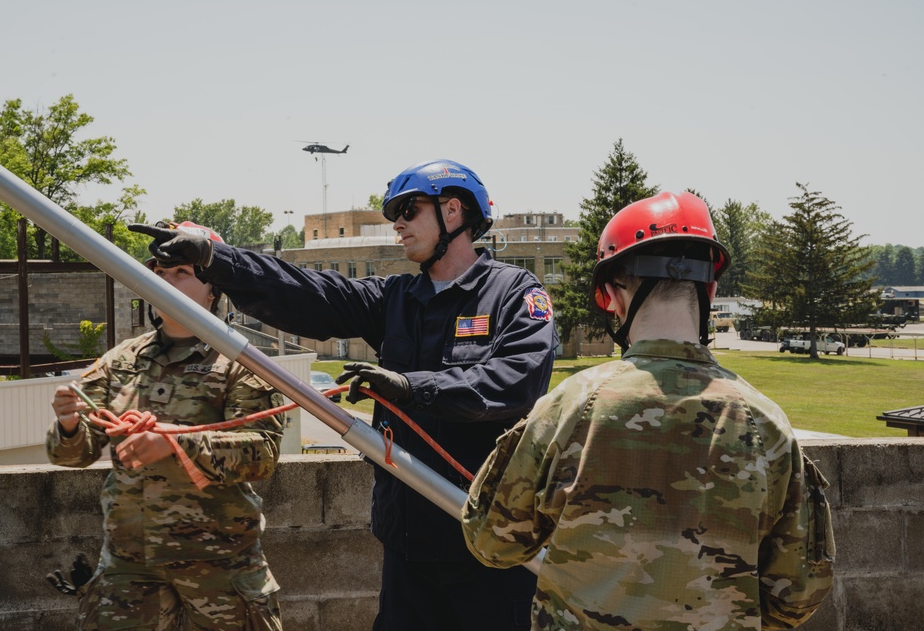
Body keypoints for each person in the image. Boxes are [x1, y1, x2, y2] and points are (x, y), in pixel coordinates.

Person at [130, 160, 559, 630]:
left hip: (492, 542)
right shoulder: (396, 298)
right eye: (393, 213)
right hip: (409, 542)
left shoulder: (514, 293)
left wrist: (413, 387)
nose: (396, 223)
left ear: (453, 211)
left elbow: (516, 379)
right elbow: (312, 293)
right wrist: (218, 258)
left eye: (408, 210)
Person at [461, 191, 835, 630]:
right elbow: (798, 594)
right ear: (710, 291)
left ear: (611, 296)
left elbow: (491, 542)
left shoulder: (570, 405)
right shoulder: (766, 422)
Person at [46, 222, 286, 631]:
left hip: (219, 563)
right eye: (159, 273)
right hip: (129, 563)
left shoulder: (239, 362)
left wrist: (175, 446)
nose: (167, 283)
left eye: (182, 274)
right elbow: (73, 455)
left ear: (213, 289)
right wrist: (69, 424)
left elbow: (262, 454)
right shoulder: (121, 360)